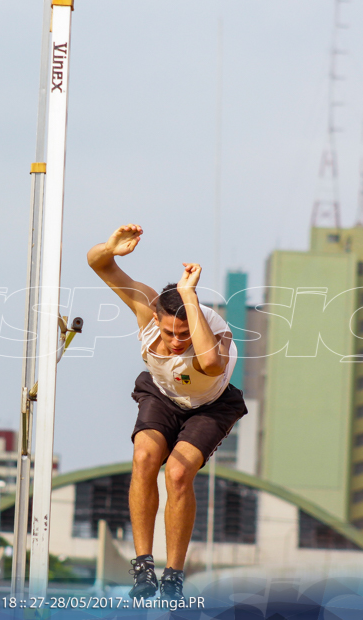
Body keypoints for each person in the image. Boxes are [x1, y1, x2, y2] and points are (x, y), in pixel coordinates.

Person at [88, 224, 246, 601]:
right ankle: (144, 565)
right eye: (169, 332)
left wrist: (189, 296)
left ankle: (174, 573)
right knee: (144, 457)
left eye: (184, 335)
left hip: (210, 406)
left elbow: (208, 363)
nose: (176, 342)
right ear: (156, 317)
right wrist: (109, 249)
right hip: (161, 394)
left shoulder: (212, 335)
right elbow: (98, 264)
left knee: (176, 474)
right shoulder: (147, 307)